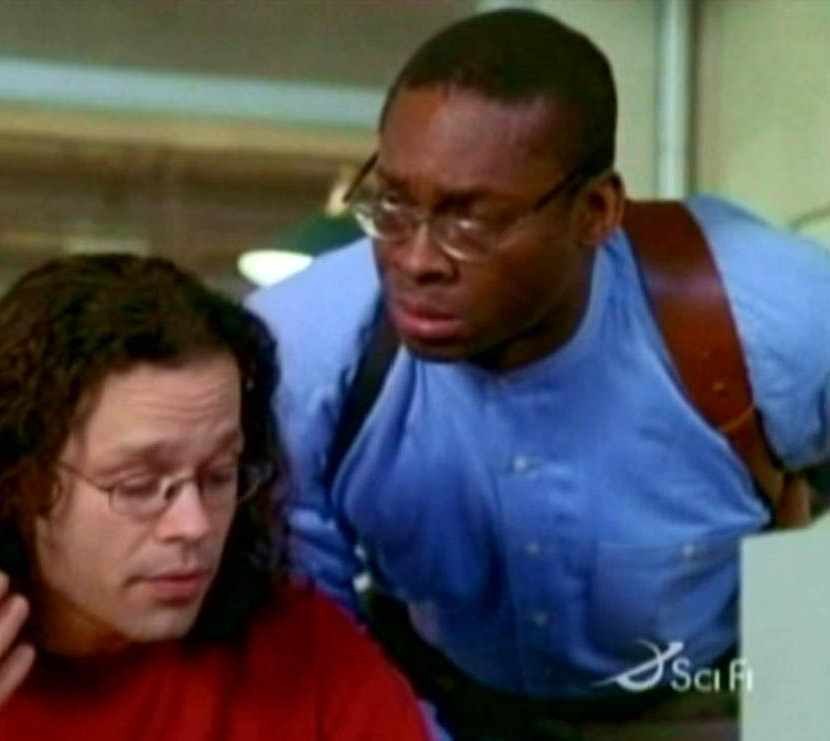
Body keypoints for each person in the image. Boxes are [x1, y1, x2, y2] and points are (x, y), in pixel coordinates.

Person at [248, 8, 830, 739]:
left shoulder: (773, 317)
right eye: (392, 202)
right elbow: (308, 621)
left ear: (595, 212)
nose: (416, 258)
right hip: (432, 697)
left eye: (473, 218)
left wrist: (801, 696)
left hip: (697, 697)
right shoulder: (305, 349)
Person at [0, 255, 429, 741]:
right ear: (22, 480)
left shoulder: (307, 656)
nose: (194, 525)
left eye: (220, 475)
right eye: (139, 486)